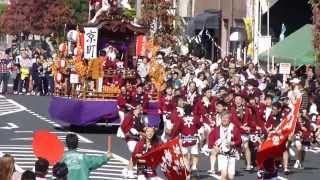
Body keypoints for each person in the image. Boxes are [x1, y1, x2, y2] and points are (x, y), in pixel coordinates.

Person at [208, 111, 241, 180]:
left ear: (229, 119)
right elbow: (210, 138)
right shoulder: (217, 129)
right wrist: (214, 146)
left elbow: (239, 140)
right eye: (223, 118)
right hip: (222, 154)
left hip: (232, 154)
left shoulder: (234, 128)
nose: (224, 120)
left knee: (230, 177)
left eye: (226, 118)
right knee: (224, 174)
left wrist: (232, 143)